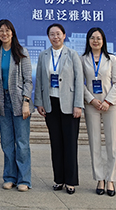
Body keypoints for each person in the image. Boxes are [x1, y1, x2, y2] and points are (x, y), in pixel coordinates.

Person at [34, 23, 84, 195]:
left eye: (58, 34)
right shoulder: (43, 55)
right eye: (52, 34)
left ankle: (70, 181)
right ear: (48, 37)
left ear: (64, 35)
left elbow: (79, 81)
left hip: (69, 104)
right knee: (56, 143)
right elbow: (39, 80)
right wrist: (39, 102)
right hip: (50, 104)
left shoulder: (73, 54)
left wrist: (78, 104)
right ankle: (58, 179)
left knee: (70, 143)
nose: (55, 37)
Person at [0, 19, 33, 191]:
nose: (4, 33)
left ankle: (24, 179)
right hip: (2, 101)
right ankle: (9, 177)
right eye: (1, 30)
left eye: (7, 30)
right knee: (7, 143)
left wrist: (26, 102)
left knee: (22, 142)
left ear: (13, 33)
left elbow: (28, 80)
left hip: (19, 101)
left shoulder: (21, 52)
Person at [82, 27, 116, 197]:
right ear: (88, 40)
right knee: (95, 144)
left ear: (103, 40)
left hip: (110, 105)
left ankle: (111, 179)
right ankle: (100, 178)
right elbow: (80, 83)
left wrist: (107, 101)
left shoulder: (111, 59)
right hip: (92, 105)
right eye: (92, 38)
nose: (95, 41)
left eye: (98, 38)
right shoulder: (83, 59)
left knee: (112, 144)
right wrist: (91, 99)